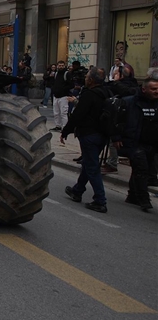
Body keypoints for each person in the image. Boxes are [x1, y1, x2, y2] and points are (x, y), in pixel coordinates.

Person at [62, 67, 110, 213]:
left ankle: (100, 200)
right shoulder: (107, 92)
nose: (85, 78)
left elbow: (78, 115)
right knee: (90, 163)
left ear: (92, 80)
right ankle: (77, 190)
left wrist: (65, 131)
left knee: (92, 167)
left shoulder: (89, 94)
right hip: (102, 135)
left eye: (87, 76)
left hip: (89, 135)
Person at [116, 69, 158, 211]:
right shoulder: (130, 102)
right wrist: (116, 137)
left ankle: (132, 194)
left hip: (152, 144)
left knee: (141, 170)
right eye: (153, 89)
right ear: (144, 89)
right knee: (142, 170)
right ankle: (143, 199)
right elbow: (118, 122)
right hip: (135, 142)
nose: (156, 91)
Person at [50, 60, 72, 131]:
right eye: (59, 65)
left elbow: (71, 84)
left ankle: (65, 127)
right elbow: (54, 83)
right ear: (57, 66)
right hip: (56, 96)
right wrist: (54, 90)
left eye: (62, 65)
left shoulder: (67, 74)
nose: (61, 67)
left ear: (65, 66)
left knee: (63, 113)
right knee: (56, 112)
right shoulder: (56, 74)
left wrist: (63, 89)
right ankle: (58, 126)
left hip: (64, 96)